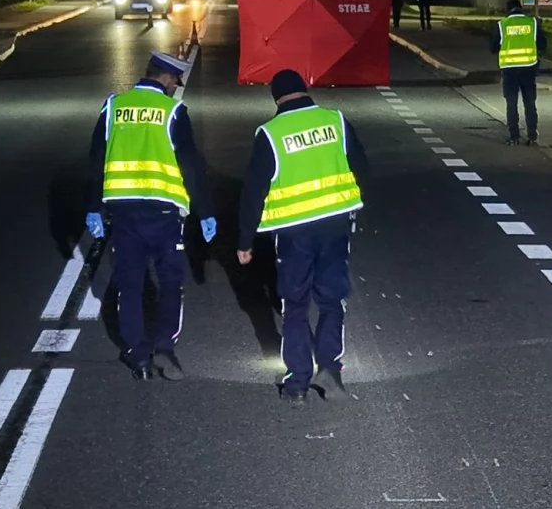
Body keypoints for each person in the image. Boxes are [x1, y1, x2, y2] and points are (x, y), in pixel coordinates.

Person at [237, 70, 369, 406]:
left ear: (276, 99)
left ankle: (297, 382)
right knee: (332, 299)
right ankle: (330, 368)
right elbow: (362, 168)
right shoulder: (335, 121)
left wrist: (245, 240)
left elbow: (254, 191)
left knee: (294, 305)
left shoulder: (270, 133)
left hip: (294, 233)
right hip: (335, 226)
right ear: (305, 90)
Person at [85, 52, 217, 381]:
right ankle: (164, 347)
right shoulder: (173, 111)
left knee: (129, 285)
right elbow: (189, 163)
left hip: (124, 210)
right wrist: (204, 210)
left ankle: (138, 357)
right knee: (170, 282)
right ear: (168, 79)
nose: (176, 87)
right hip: (163, 212)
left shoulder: (114, 106)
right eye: (175, 82)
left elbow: (96, 158)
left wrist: (93, 205)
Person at [489, 0, 548, 146]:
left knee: (511, 103)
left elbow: (493, 48)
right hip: (529, 69)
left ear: (508, 10)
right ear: (521, 9)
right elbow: (543, 44)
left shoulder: (502, 25)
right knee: (529, 103)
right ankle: (532, 136)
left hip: (509, 70)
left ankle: (514, 137)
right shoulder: (532, 23)